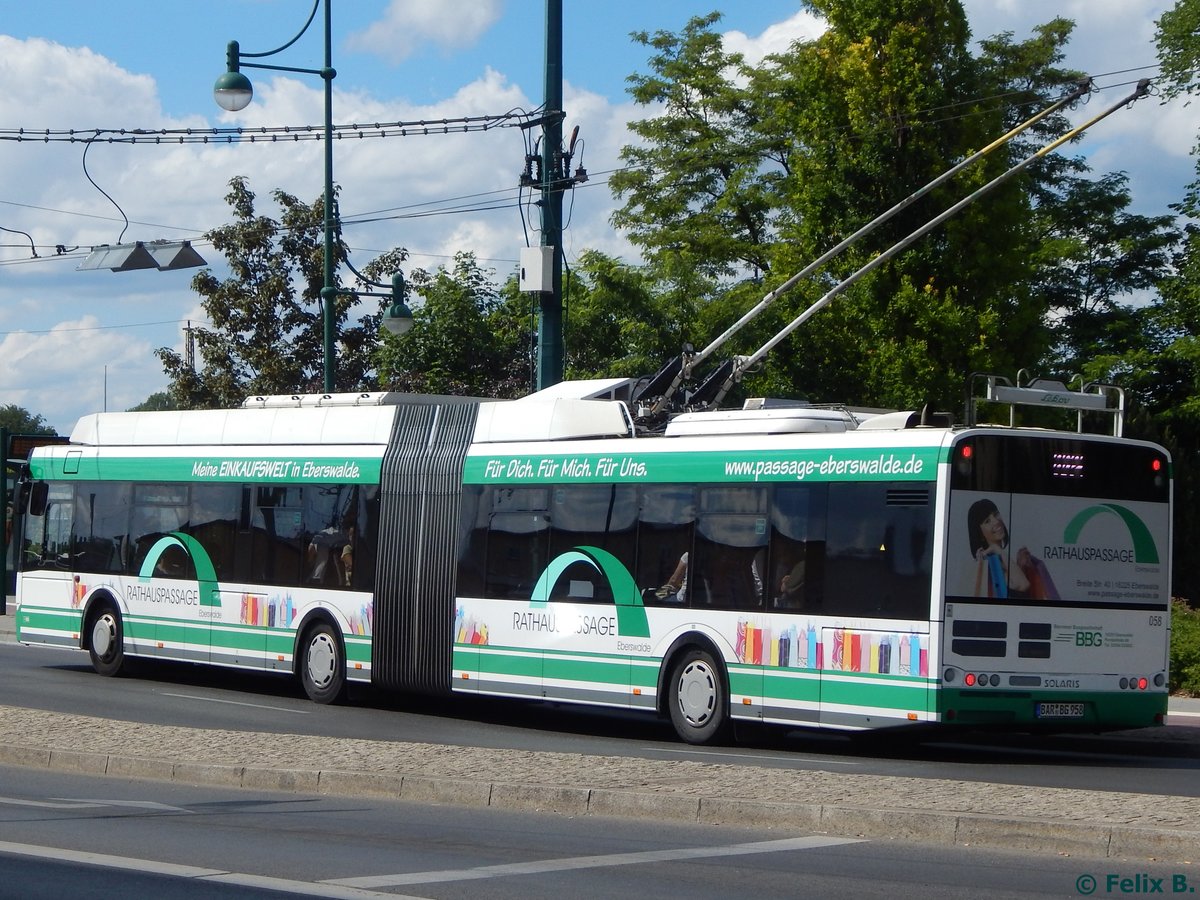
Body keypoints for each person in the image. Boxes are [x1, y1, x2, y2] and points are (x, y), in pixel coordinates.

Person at [967, 498, 1030, 599]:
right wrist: (997, 549)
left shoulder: (1001, 560)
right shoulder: (990, 563)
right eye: (987, 521)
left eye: (996, 514)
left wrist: (1020, 567)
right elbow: (1022, 585)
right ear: (980, 533)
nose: (996, 521)